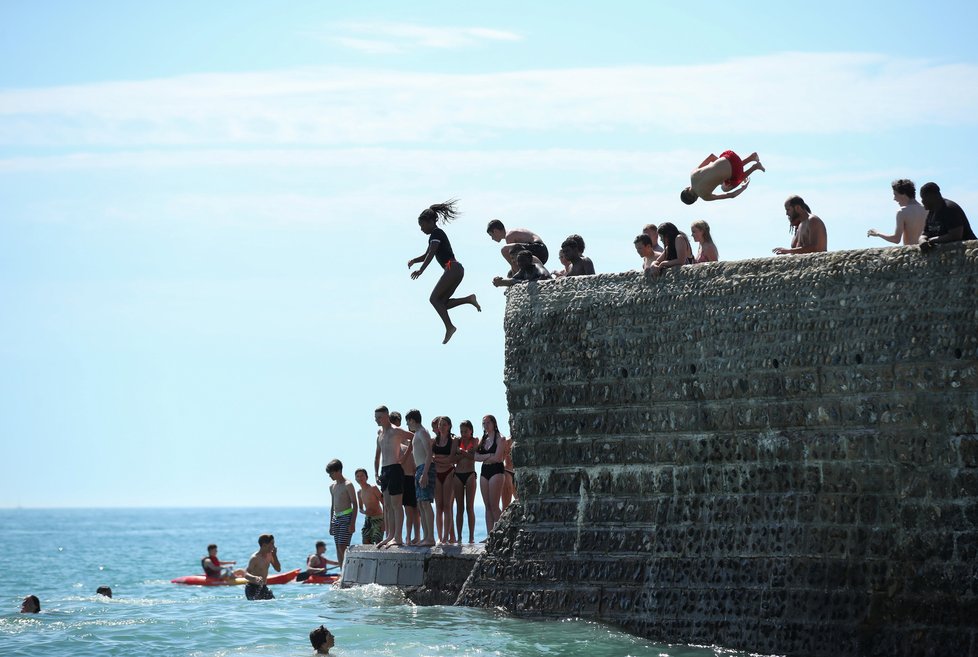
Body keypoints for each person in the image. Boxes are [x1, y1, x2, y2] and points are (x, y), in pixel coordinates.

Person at [408, 200, 481, 344]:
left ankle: (449, 327)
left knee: (433, 299)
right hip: (456, 269)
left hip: (452, 268)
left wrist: (421, 270)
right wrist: (414, 260)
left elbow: (430, 254)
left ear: (429, 222)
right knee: (442, 303)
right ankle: (469, 299)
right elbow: (425, 255)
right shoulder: (435, 236)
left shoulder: (436, 233)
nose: (421, 229)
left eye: (422, 225)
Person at [373, 405, 415, 548]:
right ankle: (390, 535)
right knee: (388, 506)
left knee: (397, 505)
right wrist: (375, 472)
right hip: (384, 470)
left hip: (395, 468)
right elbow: (377, 455)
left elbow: (414, 438)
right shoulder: (380, 432)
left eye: (379, 417)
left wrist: (404, 457)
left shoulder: (396, 431)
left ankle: (398, 537)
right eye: (375, 417)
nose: (377, 420)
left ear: (386, 416)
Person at [681, 150, 765, 204]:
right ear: (687, 187)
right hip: (729, 155)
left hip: (736, 170)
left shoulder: (705, 196)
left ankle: (755, 167)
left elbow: (732, 195)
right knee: (724, 176)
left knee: (725, 188)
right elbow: (712, 157)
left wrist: (743, 187)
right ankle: (751, 158)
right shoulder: (693, 174)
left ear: (695, 200)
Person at [406, 409, 436, 547]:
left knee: (425, 503)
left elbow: (429, 453)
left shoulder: (423, 432)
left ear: (412, 420)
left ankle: (430, 537)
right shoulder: (417, 434)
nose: (408, 425)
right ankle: (426, 537)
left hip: (425, 468)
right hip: (419, 469)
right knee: (421, 504)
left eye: (408, 421)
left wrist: (424, 473)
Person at [918, 182, 976, 252]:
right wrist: (922, 239)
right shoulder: (932, 212)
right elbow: (925, 232)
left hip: (966, 252)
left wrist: (932, 240)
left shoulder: (949, 209)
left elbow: (956, 235)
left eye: (924, 198)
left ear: (933, 197)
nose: (922, 201)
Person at [867, 179, 928, 246]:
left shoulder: (902, 212)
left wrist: (877, 233)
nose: (894, 199)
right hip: (927, 251)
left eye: (895, 194)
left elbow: (896, 239)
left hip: (911, 252)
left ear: (903, 194)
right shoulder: (927, 209)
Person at [391, 411, 420, 545]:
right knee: (403, 509)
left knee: (414, 510)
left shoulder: (408, 440)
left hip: (411, 478)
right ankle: (404, 536)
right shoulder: (393, 441)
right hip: (401, 478)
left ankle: (413, 536)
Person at [475, 415, 507, 534]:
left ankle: (502, 532)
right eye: (484, 423)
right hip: (485, 471)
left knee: (494, 505)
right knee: (487, 506)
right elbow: (475, 457)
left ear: (494, 423)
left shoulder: (500, 439)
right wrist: (489, 456)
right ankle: (490, 535)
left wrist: (485, 457)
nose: (486, 425)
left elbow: (498, 458)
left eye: (488, 422)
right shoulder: (483, 439)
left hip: (496, 471)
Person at [432, 416, 459, 544]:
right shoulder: (434, 440)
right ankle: (440, 536)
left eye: (444, 424)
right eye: (440, 425)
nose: (441, 427)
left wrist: (439, 459)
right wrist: (442, 460)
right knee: (439, 506)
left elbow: (451, 459)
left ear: (449, 426)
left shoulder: (453, 440)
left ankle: (446, 536)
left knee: (447, 506)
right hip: (437, 473)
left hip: (449, 473)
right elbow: (431, 458)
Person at [326, 459, 357, 565]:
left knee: (342, 546)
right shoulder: (332, 486)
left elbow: (355, 504)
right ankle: (341, 573)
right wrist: (331, 523)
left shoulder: (348, 484)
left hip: (346, 517)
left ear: (339, 471)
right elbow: (332, 506)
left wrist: (352, 523)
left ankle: (348, 570)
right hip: (336, 519)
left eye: (331, 473)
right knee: (337, 547)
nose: (330, 476)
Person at [453, 420, 479, 544]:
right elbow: (452, 459)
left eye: (466, 431)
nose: (463, 434)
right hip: (458, 475)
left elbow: (473, 456)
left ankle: (471, 537)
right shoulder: (456, 441)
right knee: (459, 508)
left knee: (470, 507)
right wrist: (465, 454)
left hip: (470, 474)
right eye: (462, 431)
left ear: (471, 431)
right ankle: (459, 537)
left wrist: (462, 452)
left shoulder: (475, 440)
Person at [243, 534, 281, 600]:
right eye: (272, 544)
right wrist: (254, 578)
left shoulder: (270, 555)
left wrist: (275, 556)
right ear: (264, 545)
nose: (274, 546)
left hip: (263, 587)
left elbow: (278, 569)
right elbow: (245, 574)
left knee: (273, 603)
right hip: (252, 588)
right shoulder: (255, 558)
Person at [355, 468, 384, 545]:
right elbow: (360, 508)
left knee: (378, 542)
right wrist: (364, 512)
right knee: (365, 541)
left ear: (366, 477)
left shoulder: (373, 488)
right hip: (368, 520)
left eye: (362, 476)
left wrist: (385, 522)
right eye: (357, 476)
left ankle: (379, 557)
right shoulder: (359, 492)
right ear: (355, 479)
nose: (360, 478)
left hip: (378, 518)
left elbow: (384, 503)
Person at [501, 434, 517, 511]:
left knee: (522, 503)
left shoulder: (523, 439)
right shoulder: (507, 441)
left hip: (518, 473)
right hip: (508, 472)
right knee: (505, 506)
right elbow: (501, 458)